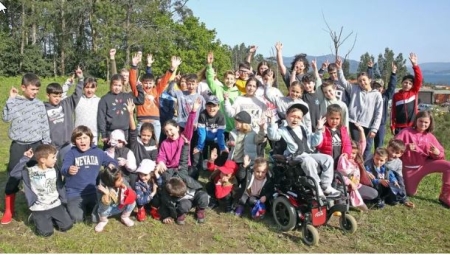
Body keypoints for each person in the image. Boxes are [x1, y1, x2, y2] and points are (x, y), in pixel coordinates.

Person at [1, 73, 51, 224]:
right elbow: (5, 118)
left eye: (37, 89)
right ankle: (9, 210)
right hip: (19, 145)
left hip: (36, 144)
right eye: (32, 89)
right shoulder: (15, 102)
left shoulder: (39, 104)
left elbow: (44, 124)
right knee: (14, 176)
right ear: (23, 87)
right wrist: (10, 99)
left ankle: (37, 206)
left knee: (36, 176)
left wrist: (47, 144)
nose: (35, 92)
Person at [267, 103, 340, 198]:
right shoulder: (282, 130)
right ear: (286, 116)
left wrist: (318, 130)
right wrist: (272, 122)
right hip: (293, 156)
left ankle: (326, 186)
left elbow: (314, 142)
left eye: (298, 117)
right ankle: (316, 187)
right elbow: (273, 136)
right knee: (308, 160)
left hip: (308, 153)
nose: (295, 119)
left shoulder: (304, 129)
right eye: (293, 116)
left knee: (328, 159)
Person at [9, 145, 73, 236]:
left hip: (55, 204)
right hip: (39, 207)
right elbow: (13, 174)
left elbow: (59, 185)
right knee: (45, 233)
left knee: (67, 226)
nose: (55, 159)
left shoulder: (55, 169)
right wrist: (25, 158)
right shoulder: (30, 171)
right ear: (43, 160)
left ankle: (51, 218)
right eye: (53, 157)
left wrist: (64, 200)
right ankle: (36, 217)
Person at [61, 125, 117, 223]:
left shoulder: (98, 152)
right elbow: (63, 168)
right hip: (75, 193)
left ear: (90, 138)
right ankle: (70, 208)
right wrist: (69, 169)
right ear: (74, 141)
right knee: (77, 219)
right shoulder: (71, 153)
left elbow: (112, 162)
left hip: (93, 191)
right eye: (79, 138)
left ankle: (90, 209)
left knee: (96, 218)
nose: (82, 141)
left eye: (85, 138)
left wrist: (111, 164)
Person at [395, 111, 450, 208]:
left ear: (430, 123)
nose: (423, 124)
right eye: (421, 121)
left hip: (424, 165)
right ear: (416, 121)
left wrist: (437, 153)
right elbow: (393, 147)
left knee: (448, 166)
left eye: (426, 122)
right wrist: (406, 147)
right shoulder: (406, 132)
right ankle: (408, 185)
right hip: (409, 168)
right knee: (410, 193)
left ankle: (445, 196)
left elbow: (441, 155)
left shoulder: (430, 136)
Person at [336, 57, 383, 158]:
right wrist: (339, 69)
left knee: (364, 148)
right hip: (353, 123)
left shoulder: (376, 95)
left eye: (364, 80)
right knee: (355, 147)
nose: (362, 83)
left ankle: (361, 168)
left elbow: (379, 113)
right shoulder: (354, 89)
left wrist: (374, 128)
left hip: (367, 125)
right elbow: (343, 82)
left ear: (370, 80)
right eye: (360, 81)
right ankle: (351, 166)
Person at [129, 53, 181, 139]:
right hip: (142, 121)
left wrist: (172, 68)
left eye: (150, 83)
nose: (148, 85)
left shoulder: (156, 90)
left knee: (156, 144)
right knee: (140, 145)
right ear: (142, 83)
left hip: (155, 121)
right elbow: (132, 81)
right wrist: (134, 66)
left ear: (153, 83)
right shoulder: (138, 91)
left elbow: (164, 80)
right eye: (146, 83)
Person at [159, 136, 209, 225]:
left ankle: (200, 210)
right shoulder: (166, 191)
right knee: (183, 205)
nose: (184, 193)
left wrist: (186, 145)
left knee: (204, 196)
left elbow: (183, 161)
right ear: (172, 194)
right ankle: (182, 213)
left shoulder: (182, 174)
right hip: (185, 201)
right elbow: (164, 204)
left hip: (194, 194)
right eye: (181, 194)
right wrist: (165, 216)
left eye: (184, 191)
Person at [156, 98, 201, 180]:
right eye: (166, 131)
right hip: (170, 169)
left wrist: (193, 111)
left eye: (170, 130)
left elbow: (189, 126)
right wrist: (161, 162)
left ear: (177, 128)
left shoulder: (184, 137)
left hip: (183, 168)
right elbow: (161, 156)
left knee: (193, 171)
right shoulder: (164, 143)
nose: (169, 133)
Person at [97, 73, 145, 144]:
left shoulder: (127, 96)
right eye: (115, 85)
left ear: (122, 85)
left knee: (124, 153)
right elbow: (101, 117)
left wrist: (139, 87)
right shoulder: (104, 99)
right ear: (111, 85)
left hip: (125, 132)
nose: (117, 88)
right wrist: (104, 134)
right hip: (110, 132)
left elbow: (140, 100)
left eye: (119, 85)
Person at [205, 52, 241, 134]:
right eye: (227, 78)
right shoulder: (218, 89)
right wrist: (209, 65)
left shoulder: (238, 93)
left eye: (231, 79)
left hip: (234, 126)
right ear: (224, 79)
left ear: (235, 80)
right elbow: (210, 80)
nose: (229, 81)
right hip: (220, 125)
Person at [95, 166, 137, 232]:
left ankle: (125, 217)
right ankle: (103, 221)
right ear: (111, 182)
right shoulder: (101, 189)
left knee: (132, 202)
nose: (122, 180)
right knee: (102, 211)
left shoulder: (123, 182)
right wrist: (107, 194)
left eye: (121, 178)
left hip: (120, 206)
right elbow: (103, 207)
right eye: (119, 180)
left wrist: (126, 189)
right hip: (108, 210)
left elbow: (132, 194)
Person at [366, 61, 397, 150]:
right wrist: (370, 69)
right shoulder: (369, 95)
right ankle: (366, 162)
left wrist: (393, 73)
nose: (377, 88)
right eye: (375, 86)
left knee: (379, 146)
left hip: (381, 125)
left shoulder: (385, 96)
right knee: (367, 146)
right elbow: (368, 80)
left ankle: (378, 162)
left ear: (383, 88)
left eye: (379, 87)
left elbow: (392, 86)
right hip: (370, 123)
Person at [391, 53, 423, 135]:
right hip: (399, 126)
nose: (407, 85)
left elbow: (419, 79)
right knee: (400, 147)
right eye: (405, 82)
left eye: (410, 83)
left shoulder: (413, 92)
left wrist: (415, 65)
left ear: (412, 85)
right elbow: (393, 111)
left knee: (411, 146)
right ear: (401, 83)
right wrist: (393, 125)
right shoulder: (396, 96)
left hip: (412, 125)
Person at [193, 95, 228, 169]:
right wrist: (199, 147)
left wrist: (222, 147)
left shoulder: (221, 117)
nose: (211, 108)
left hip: (215, 139)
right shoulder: (202, 115)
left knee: (216, 155)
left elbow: (220, 134)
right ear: (205, 106)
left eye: (214, 106)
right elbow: (201, 133)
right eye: (209, 106)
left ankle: (215, 168)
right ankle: (200, 166)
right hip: (204, 138)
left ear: (218, 107)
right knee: (198, 152)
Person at [316, 104, 352, 169]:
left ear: (340, 118)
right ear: (327, 117)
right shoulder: (324, 129)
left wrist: (346, 153)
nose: (334, 121)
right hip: (327, 161)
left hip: (340, 162)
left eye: (337, 118)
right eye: (332, 118)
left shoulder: (343, 130)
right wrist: (320, 131)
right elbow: (319, 145)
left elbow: (347, 144)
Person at [384, 139, 415, 208]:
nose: (393, 154)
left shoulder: (399, 163)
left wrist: (405, 199)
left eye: (397, 153)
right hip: (377, 180)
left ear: (401, 154)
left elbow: (400, 179)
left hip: (389, 182)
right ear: (387, 147)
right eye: (392, 150)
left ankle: (401, 198)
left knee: (393, 202)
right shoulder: (380, 155)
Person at [127, 99, 158, 165]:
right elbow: (133, 130)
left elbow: (154, 160)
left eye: (148, 136)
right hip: (135, 169)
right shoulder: (135, 141)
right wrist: (130, 114)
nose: (146, 138)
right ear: (140, 133)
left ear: (152, 135)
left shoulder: (153, 144)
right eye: (144, 135)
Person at [74, 77, 101, 145]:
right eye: (87, 87)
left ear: (96, 88)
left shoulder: (99, 101)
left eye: (92, 87)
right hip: (78, 134)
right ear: (83, 88)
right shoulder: (77, 100)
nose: (89, 90)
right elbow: (62, 97)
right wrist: (68, 84)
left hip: (93, 135)